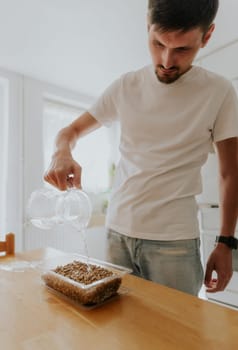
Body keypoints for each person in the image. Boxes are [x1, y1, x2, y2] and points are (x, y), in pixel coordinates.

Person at [44, 0, 238, 296]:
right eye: (158, 44)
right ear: (148, 26)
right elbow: (68, 132)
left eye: (183, 49)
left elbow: (230, 173)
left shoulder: (220, 91)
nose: (167, 60)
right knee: (119, 333)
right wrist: (61, 153)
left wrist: (226, 242)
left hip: (175, 242)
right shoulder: (125, 86)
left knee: (175, 336)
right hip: (116, 236)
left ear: (207, 36)